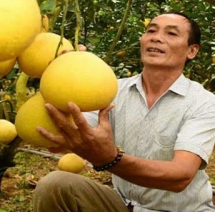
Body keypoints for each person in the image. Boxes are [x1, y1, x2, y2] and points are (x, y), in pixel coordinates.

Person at [33, 12, 215, 212]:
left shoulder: (204, 103)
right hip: (123, 205)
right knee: (55, 186)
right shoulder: (111, 91)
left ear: (192, 51)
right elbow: (73, 125)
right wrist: (61, 77)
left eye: (171, 33)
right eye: (151, 30)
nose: (156, 37)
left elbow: (180, 176)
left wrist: (110, 159)